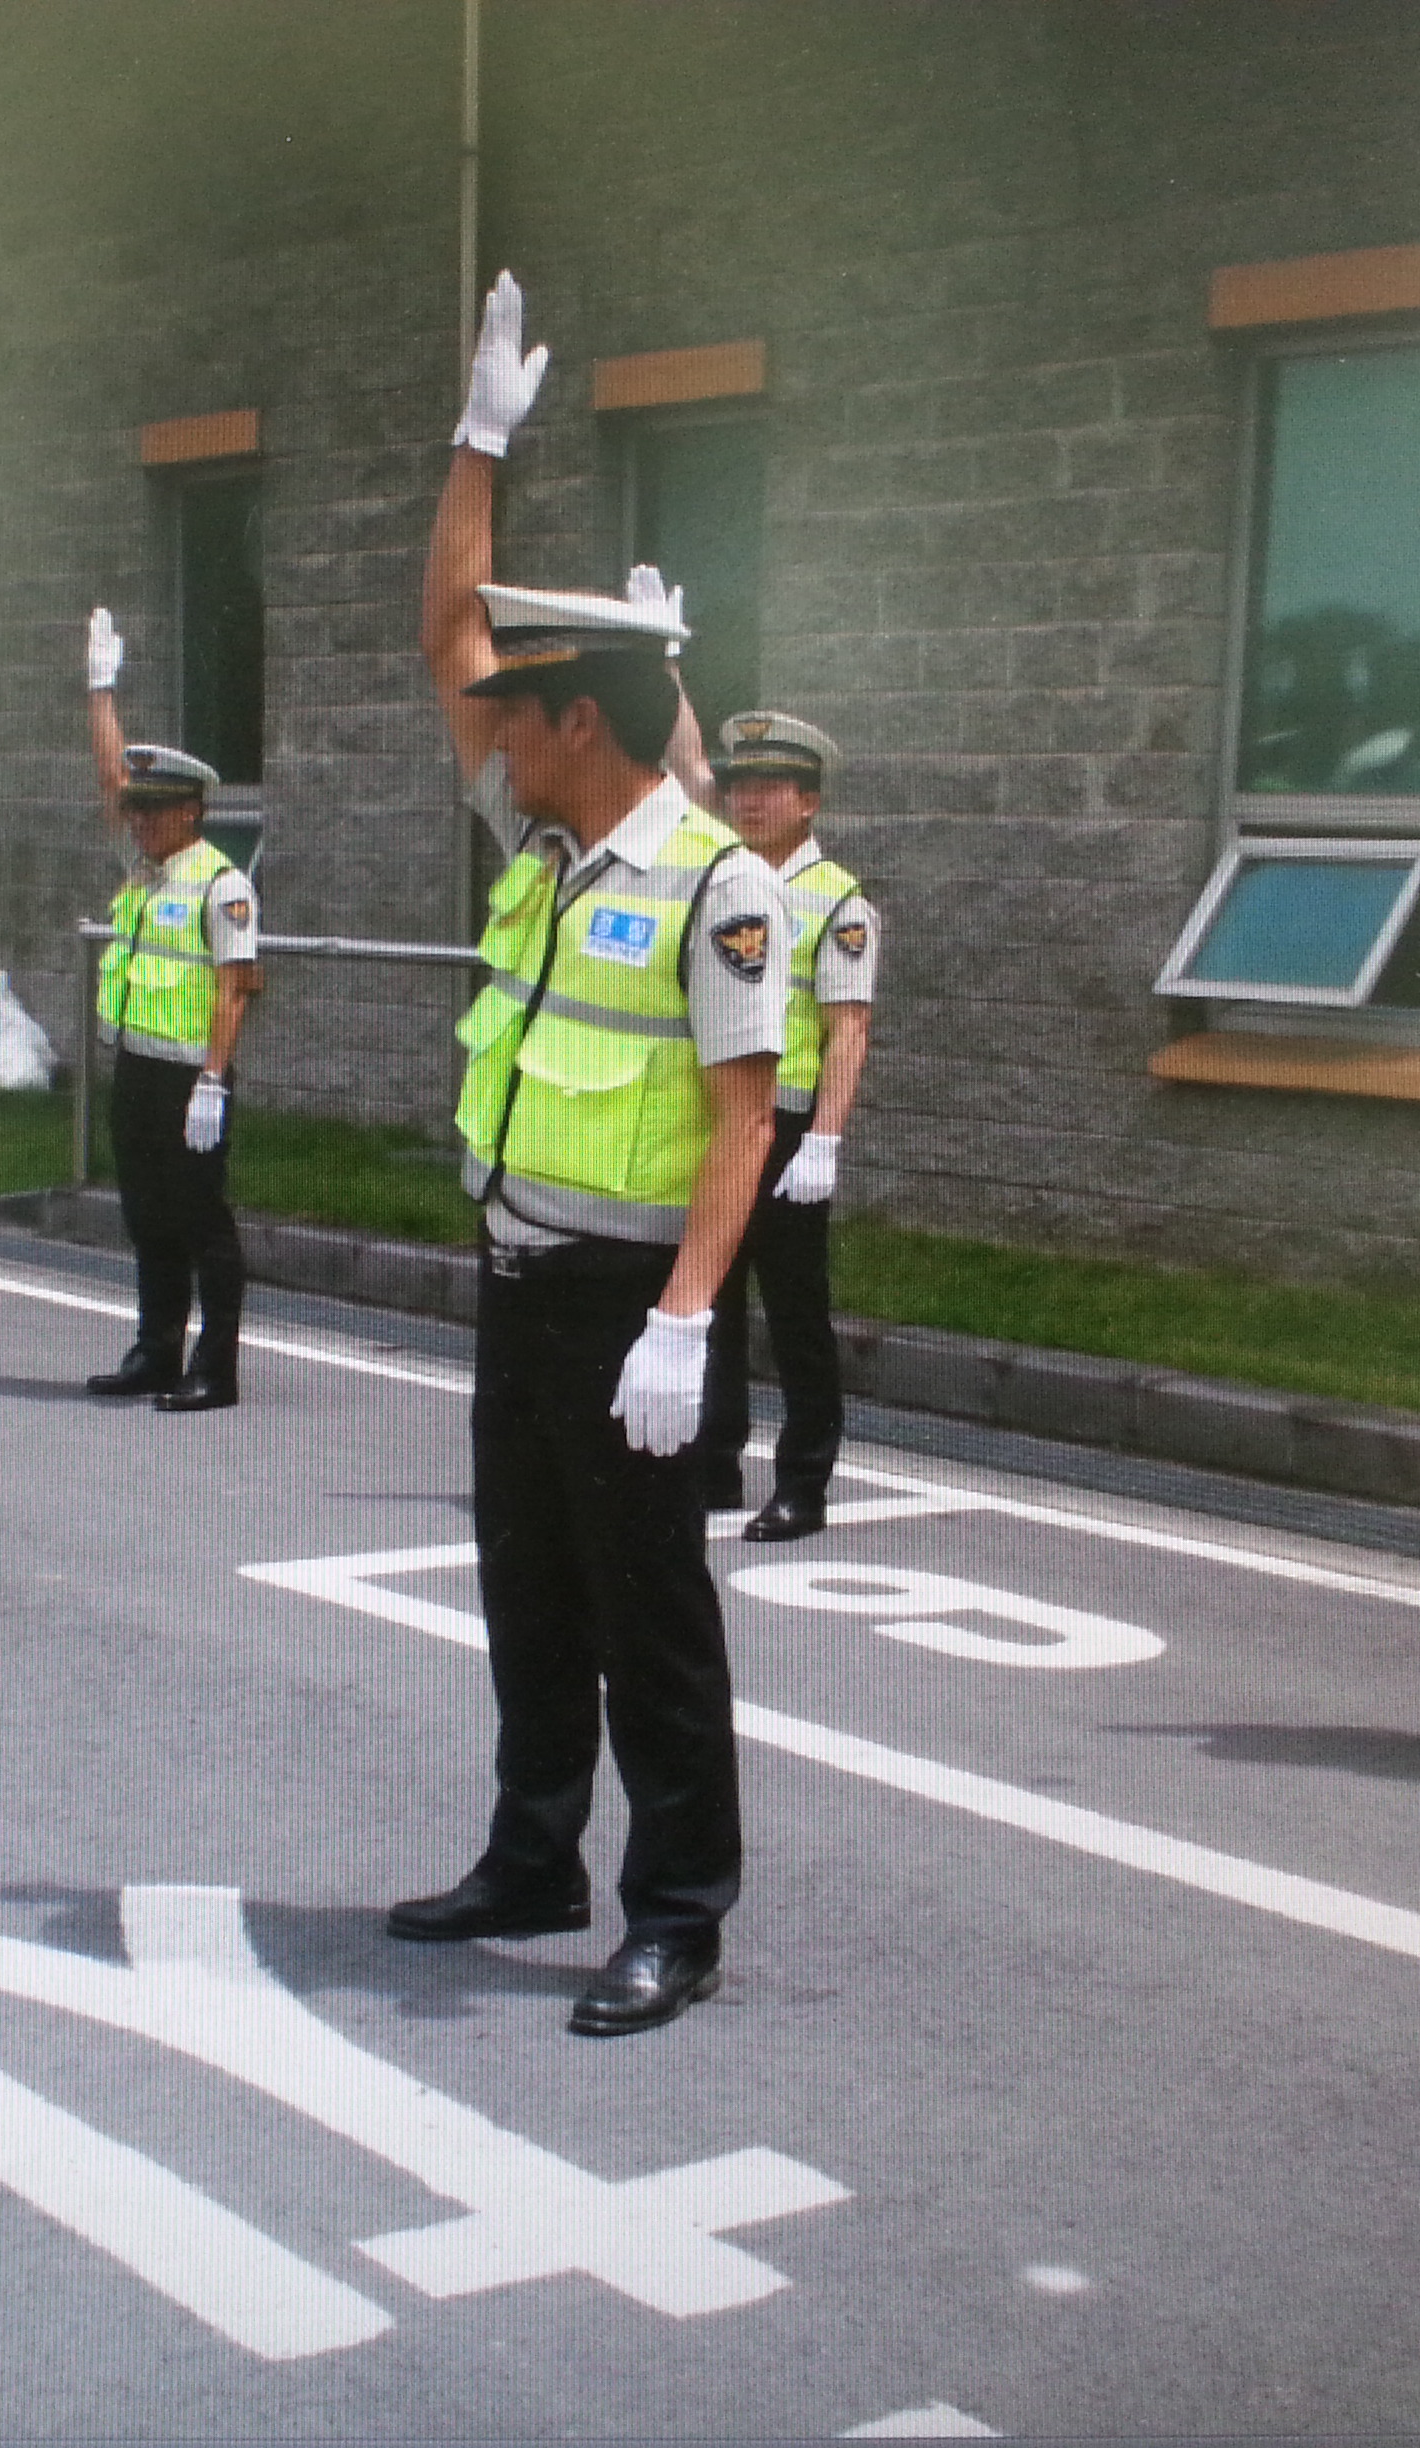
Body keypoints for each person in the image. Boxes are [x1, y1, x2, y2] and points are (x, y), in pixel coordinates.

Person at [391, 275, 787, 2037]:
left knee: (653, 1624)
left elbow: (740, 1117)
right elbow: (445, 644)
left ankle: (674, 1910)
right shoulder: (547, 850)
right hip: (520, 1275)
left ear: (587, 724)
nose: (496, 726)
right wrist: (476, 443)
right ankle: (530, 1852)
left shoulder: (717, 884)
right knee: (529, 1593)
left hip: (638, 1300)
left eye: (525, 707)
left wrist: (687, 1319)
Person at [676, 710, 875, 1536]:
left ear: (809, 802)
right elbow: (685, 773)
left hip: (789, 1129)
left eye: (770, 789)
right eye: (741, 787)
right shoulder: (721, 877)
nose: (749, 802)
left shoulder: (838, 901)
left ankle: (803, 1481)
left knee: (795, 1313)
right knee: (710, 1298)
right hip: (720, 1122)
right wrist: (671, 677)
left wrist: (825, 1137)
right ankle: (715, 1463)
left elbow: (848, 1027)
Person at [78, 606, 262, 1411]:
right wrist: (99, 689)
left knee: (202, 1226)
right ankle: (155, 1349)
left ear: (191, 810)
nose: (137, 819)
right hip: (138, 1068)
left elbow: (234, 986)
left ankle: (214, 1366)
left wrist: (215, 1081)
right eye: (136, 811)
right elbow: (108, 776)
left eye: (153, 810)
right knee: (147, 1217)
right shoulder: (144, 873)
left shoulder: (221, 884)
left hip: (192, 1079)